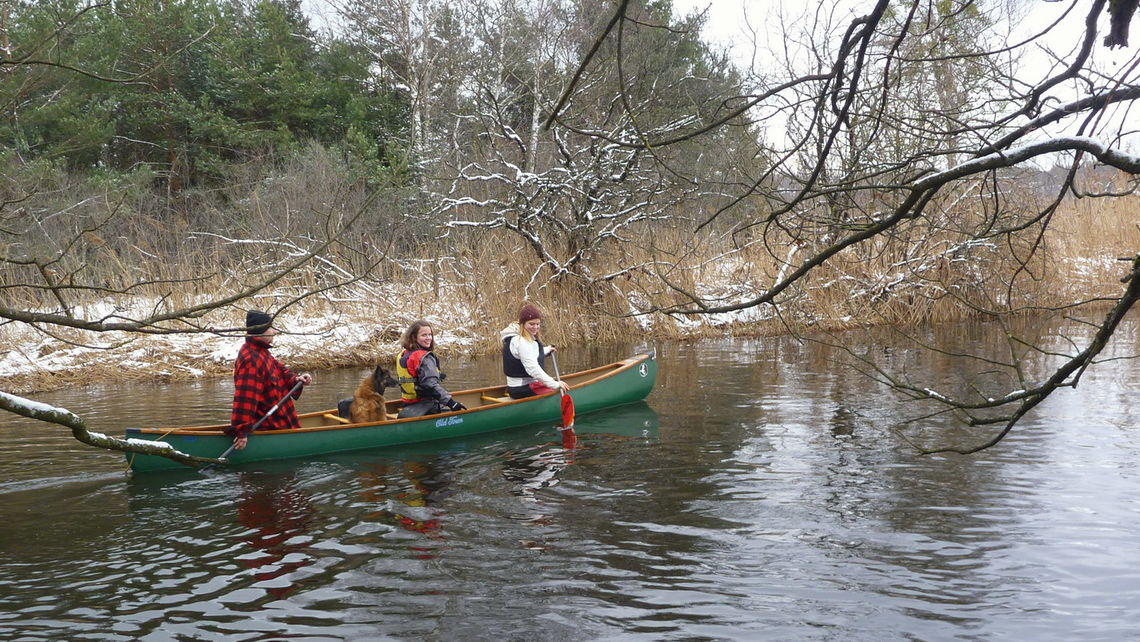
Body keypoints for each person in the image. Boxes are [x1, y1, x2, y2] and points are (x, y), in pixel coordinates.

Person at [227, 310, 313, 451]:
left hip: (282, 423)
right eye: (270, 328)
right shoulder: (252, 360)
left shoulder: (261, 352)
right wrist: (241, 431)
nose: (274, 332)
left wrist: (296, 379)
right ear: (260, 330)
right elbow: (245, 399)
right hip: (271, 427)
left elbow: (280, 370)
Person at [396, 319, 466, 418]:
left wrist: (436, 375)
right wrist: (451, 403)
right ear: (414, 337)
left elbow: (414, 375)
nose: (428, 338)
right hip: (427, 406)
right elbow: (431, 386)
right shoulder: (425, 358)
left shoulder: (404, 354)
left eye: (430, 335)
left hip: (409, 404)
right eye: (424, 335)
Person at [499, 303, 570, 399]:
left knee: (550, 384)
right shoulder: (520, 341)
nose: (535, 327)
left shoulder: (520, 338)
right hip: (521, 389)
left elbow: (528, 354)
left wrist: (546, 350)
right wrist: (555, 384)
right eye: (531, 324)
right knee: (555, 389)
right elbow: (533, 369)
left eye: (537, 324)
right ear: (523, 324)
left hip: (520, 387)